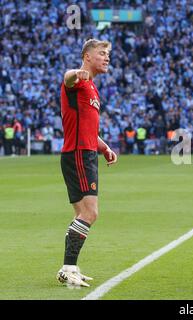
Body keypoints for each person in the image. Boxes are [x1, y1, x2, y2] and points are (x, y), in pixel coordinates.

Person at [57, 39, 118, 287]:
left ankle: (69, 267)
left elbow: (89, 128)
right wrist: (75, 73)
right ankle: (68, 266)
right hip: (79, 154)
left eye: (108, 55)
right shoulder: (79, 81)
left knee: (81, 215)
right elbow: (67, 77)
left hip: (84, 152)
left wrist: (104, 147)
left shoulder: (91, 88)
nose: (106, 58)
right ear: (87, 56)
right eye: (102, 54)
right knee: (90, 213)